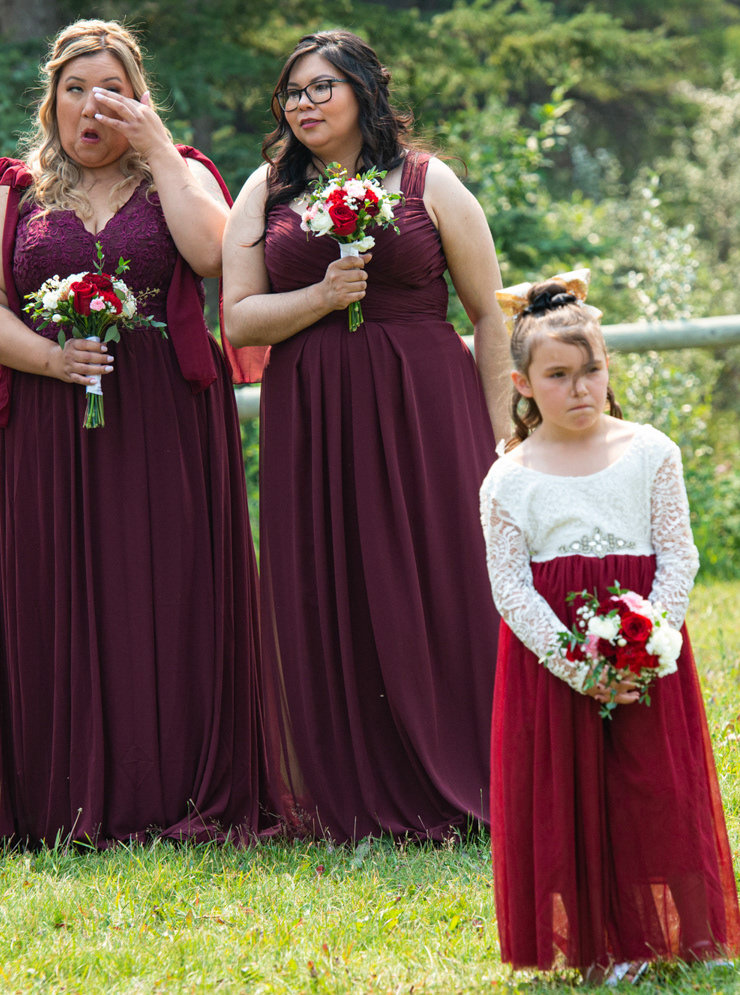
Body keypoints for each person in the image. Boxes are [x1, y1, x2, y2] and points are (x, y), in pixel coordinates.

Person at [0, 19, 267, 850]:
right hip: (49, 423)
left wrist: (162, 150)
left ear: (141, 100)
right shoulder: (11, 190)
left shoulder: (185, 176)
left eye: (114, 91)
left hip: (165, 417)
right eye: (75, 89)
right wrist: (51, 359)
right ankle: (62, 794)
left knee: (169, 587)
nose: (93, 106)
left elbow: (216, 260)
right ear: (50, 100)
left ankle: (179, 781)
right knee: (59, 587)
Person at [221, 30, 509, 841]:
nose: (305, 105)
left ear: (363, 94)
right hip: (313, 414)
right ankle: (348, 781)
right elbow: (238, 317)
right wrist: (319, 295)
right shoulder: (265, 191)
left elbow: (488, 312)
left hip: (425, 407)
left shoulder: (428, 180)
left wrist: (501, 437)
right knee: (330, 578)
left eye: (322, 89)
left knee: (439, 574)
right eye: (293, 93)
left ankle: (471, 761)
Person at [479, 280, 740, 981]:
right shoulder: (509, 477)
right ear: (524, 384)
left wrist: (648, 643)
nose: (579, 388)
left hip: (645, 657)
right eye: (558, 376)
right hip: (556, 666)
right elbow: (511, 587)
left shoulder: (651, 451)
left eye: (590, 370)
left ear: (609, 367)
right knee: (569, 798)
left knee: (651, 790)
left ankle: (667, 935)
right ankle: (596, 945)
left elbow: (679, 551)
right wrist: (581, 665)